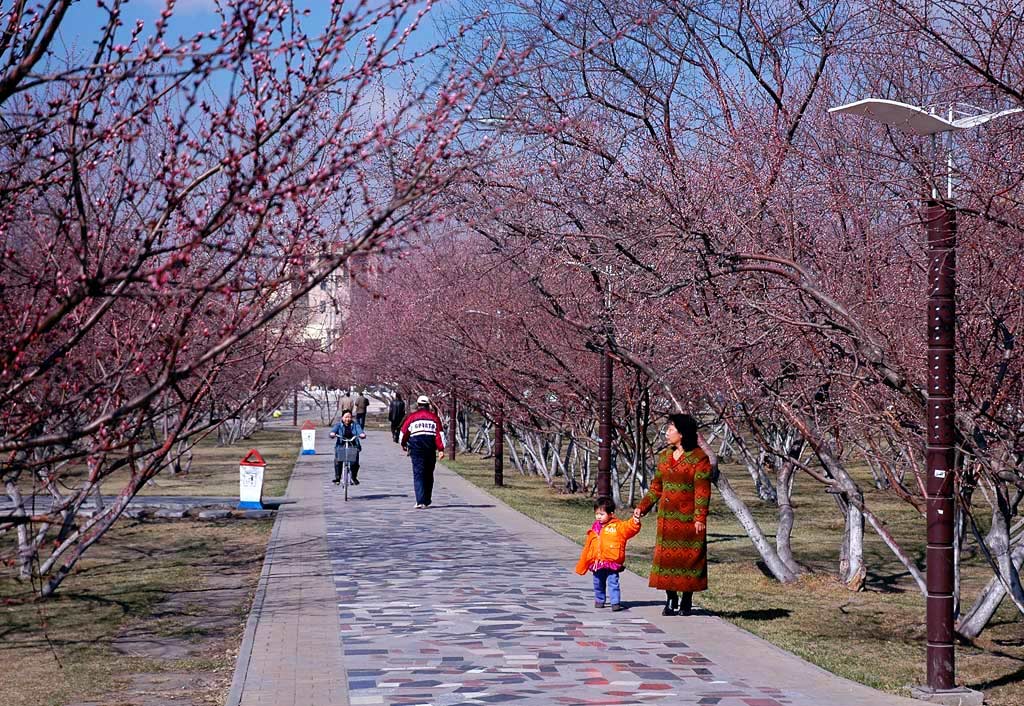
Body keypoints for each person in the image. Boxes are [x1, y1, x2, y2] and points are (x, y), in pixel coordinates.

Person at [634, 413, 712, 616]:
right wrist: (642, 507)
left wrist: (699, 518)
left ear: (682, 433)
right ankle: (671, 599)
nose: (667, 433)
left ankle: (687, 600)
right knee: (667, 562)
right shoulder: (664, 456)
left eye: (671, 429)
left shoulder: (699, 458)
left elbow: (702, 490)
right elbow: (656, 487)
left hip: (689, 521)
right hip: (667, 520)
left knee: (690, 561)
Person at [575, 496, 641, 611]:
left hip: (612, 562)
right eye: (597, 514)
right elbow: (589, 546)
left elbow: (628, 528)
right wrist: (585, 561)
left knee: (613, 582)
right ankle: (599, 599)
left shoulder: (618, 527)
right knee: (598, 583)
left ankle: (615, 602)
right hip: (598, 562)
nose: (598, 517)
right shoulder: (595, 528)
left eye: (601, 514)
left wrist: (634, 521)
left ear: (611, 514)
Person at [399, 395, 444, 508]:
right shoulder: (434, 418)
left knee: (418, 474)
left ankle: (420, 500)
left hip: (417, 449)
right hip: (430, 449)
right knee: (429, 474)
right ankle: (427, 499)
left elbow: (403, 433)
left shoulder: (412, 417)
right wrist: (441, 449)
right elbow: (440, 435)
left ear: (418, 405)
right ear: (428, 405)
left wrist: (403, 444)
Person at [329, 410, 366, 485]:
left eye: (349, 417)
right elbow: (333, 431)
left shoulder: (355, 425)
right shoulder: (338, 425)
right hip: (341, 445)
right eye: (346, 417)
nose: (347, 419)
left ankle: (354, 477)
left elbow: (360, 431)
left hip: (353, 444)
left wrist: (362, 434)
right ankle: (338, 478)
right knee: (338, 460)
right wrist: (332, 433)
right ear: (342, 417)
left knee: (354, 462)